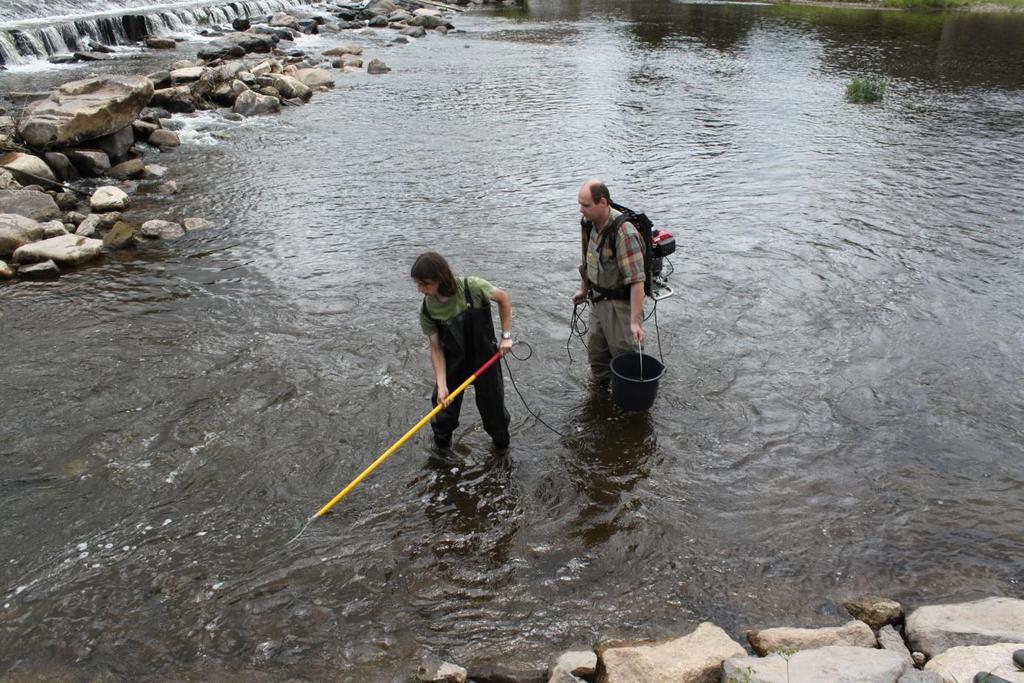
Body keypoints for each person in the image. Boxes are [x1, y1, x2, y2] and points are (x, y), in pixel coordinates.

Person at [411, 251, 513, 453]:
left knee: (494, 413)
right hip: (453, 362)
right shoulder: (426, 310)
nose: (420, 289)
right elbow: (436, 348)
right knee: (442, 411)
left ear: (440, 277)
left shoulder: (472, 287)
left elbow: (503, 299)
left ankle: (502, 450)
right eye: (418, 284)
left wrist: (506, 337)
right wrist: (441, 385)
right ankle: (441, 451)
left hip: (485, 359)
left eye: (424, 284)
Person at [571, 179, 646, 382]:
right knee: (597, 359)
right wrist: (583, 289)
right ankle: (600, 394)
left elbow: (637, 281)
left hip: (621, 308)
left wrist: (634, 322)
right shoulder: (588, 224)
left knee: (626, 362)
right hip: (597, 301)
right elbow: (587, 258)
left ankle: (630, 404)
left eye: (586, 205)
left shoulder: (624, 233)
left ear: (603, 202)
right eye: (580, 204)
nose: (581, 210)